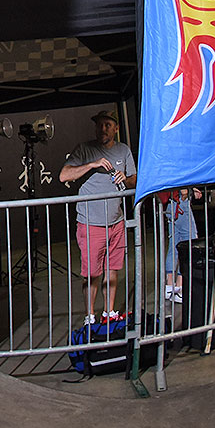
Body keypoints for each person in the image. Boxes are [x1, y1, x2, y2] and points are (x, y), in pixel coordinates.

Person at [59, 110, 136, 324]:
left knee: (113, 270)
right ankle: (90, 315)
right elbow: (64, 175)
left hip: (116, 222)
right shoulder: (85, 149)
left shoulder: (123, 150)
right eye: (100, 125)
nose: (103, 129)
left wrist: (126, 179)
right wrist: (92, 165)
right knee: (91, 273)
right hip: (91, 223)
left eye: (107, 125)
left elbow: (134, 180)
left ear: (116, 128)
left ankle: (108, 313)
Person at [159, 187, 201, 303]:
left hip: (171, 203)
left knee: (174, 245)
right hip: (180, 203)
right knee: (189, 244)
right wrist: (188, 192)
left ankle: (169, 286)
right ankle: (180, 288)